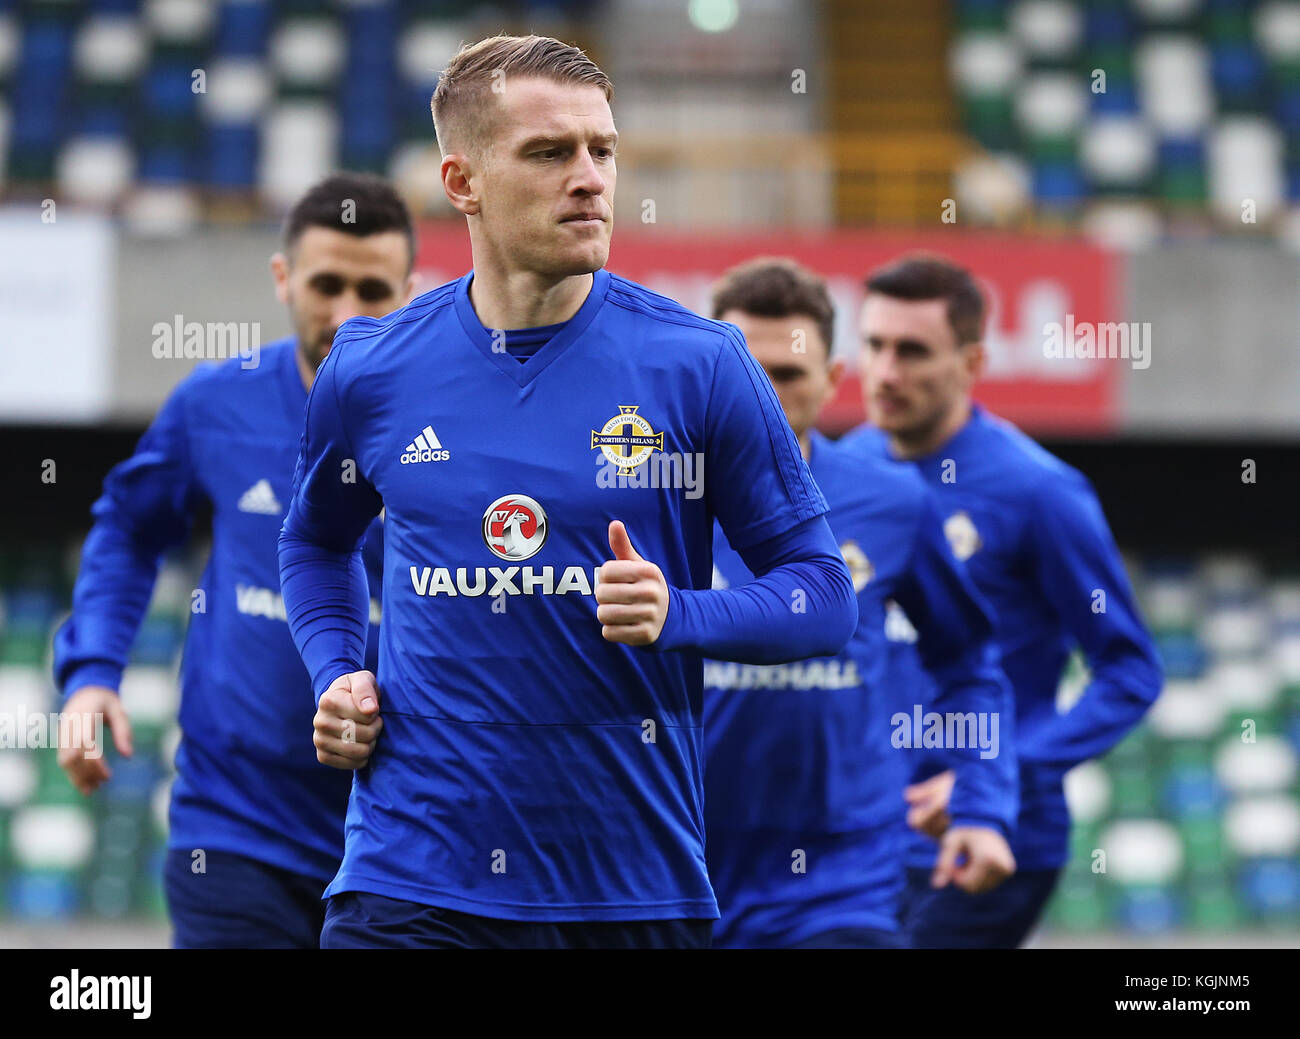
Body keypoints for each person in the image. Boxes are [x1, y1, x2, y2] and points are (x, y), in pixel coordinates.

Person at [277, 35, 858, 950]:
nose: (590, 177)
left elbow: (824, 597)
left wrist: (685, 613)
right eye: (551, 153)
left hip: (628, 893)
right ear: (462, 182)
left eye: (604, 150)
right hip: (408, 881)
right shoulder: (369, 366)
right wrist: (338, 669)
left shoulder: (701, 364)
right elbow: (315, 542)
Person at [53, 173, 418, 948]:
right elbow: (127, 527)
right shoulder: (217, 403)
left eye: (373, 288)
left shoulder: (452, 425)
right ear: (284, 278)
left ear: (411, 291)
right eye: (327, 284)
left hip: (399, 839)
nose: (347, 311)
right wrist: (92, 672)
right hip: (234, 827)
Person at [845, 253, 1163, 948]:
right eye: (873, 344)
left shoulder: (1039, 492)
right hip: (868, 838)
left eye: (913, 350)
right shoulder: (850, 472)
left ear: (972, 362)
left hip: (990, 838)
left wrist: (997, 777)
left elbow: (1130, 669)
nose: (886, 370)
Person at [702, 257, 1017, 948]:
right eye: (741, 376)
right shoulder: (650, 506)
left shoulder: (894, 502)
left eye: (785, 375)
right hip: (678, 871)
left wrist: (983, 803)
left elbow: (969, 662)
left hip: (840, 877)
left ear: (831, 380)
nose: (763, 398)